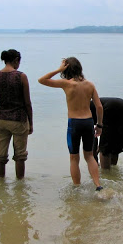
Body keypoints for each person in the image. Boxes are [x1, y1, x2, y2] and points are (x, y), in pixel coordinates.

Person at [38, 57, 104, 190]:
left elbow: (42, 80)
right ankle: (98, 185)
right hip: (88, 122)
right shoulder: (90, 85)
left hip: (74, 124)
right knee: (90, 156)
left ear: (66, 70)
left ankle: (77, 187)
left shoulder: (66, 84)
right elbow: (99, 107)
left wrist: (58, 69)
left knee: (74, 158)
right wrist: (100, 125)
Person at [0, 49, 33, 179]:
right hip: (18, 119)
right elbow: (27, 103)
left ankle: (0, 183)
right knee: (20, 155)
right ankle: (20, 184)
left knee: (0, 155)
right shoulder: (21, 76)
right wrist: (31, 123)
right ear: (16, 60)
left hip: (1, 121)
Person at [90, 97, 123, 169]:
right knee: (115, 147)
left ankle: (106, 176)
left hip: (110, 108)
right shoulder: (88, 106)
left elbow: (92, 136)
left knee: (105, 150)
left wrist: (96, 152)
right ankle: (113, 173)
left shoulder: (82, 113)